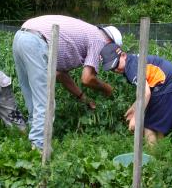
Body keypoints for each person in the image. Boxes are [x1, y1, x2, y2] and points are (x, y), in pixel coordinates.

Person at [12, 15, 123, 150]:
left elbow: (59, 74)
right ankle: (39, 147)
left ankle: (31, 137)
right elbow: (87, 79)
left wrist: (83, 98)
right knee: (45, 101)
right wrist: (107, 88)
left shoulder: (88, 33)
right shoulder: (99, 39)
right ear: (110, 42)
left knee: (31, 94)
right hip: (36, 41)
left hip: (21, 37)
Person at [101, 43, 172, 145]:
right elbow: (145, 91)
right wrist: (134, 108)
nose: (116, 70)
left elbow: (145, 93)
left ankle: (153, 158)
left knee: (149, 127)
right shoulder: (133, 61)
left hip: (168, 87)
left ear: (123, 55)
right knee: (159, 126)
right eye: (112, 69)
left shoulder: (131, 67)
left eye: (116, 64)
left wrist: (136, 117)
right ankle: (162, 153)